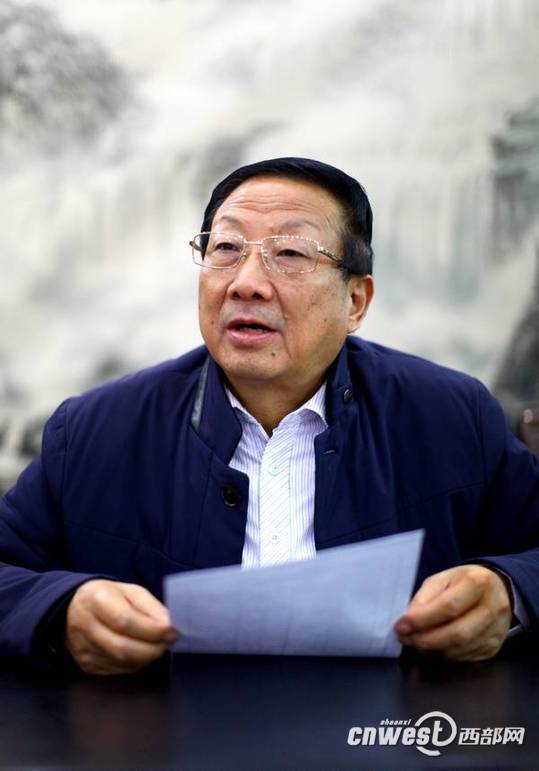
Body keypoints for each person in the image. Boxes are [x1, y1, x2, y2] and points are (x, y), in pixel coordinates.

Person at [1, 157, 538, 676]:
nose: (246, 283)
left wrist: (508, 591)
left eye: (290, 253)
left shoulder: (451, 419)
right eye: (226, 249)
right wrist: (60, 608)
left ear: (355, 301)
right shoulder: (96, 431)